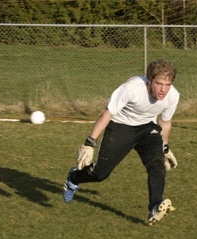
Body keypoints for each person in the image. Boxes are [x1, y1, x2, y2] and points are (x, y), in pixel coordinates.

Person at [63, 59, 179, 226]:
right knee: (100, 174)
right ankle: (74, 177)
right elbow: (107, 114)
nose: (163, 90)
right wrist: (89, 143)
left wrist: (165, 147)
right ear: (149, 81)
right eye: (159, 84)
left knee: (157, 164)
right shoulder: (131, 88)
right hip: (121, 127)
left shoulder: (173, 96)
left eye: (167, 84)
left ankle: (155, 206)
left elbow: (165, 122)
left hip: (147, 128)